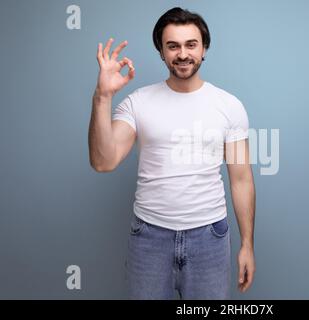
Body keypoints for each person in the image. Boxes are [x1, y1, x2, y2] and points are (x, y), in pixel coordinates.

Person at [88, 7, 255, 300]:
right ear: (162, 52)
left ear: (204, 48)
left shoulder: (229, 106)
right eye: (173, 46)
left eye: (191, 44)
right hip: (149, 238)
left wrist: (247, 245)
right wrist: (103, 96)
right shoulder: (137, 103)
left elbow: (241, 180)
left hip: (210, 238)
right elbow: (103, 161)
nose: (182, 54)